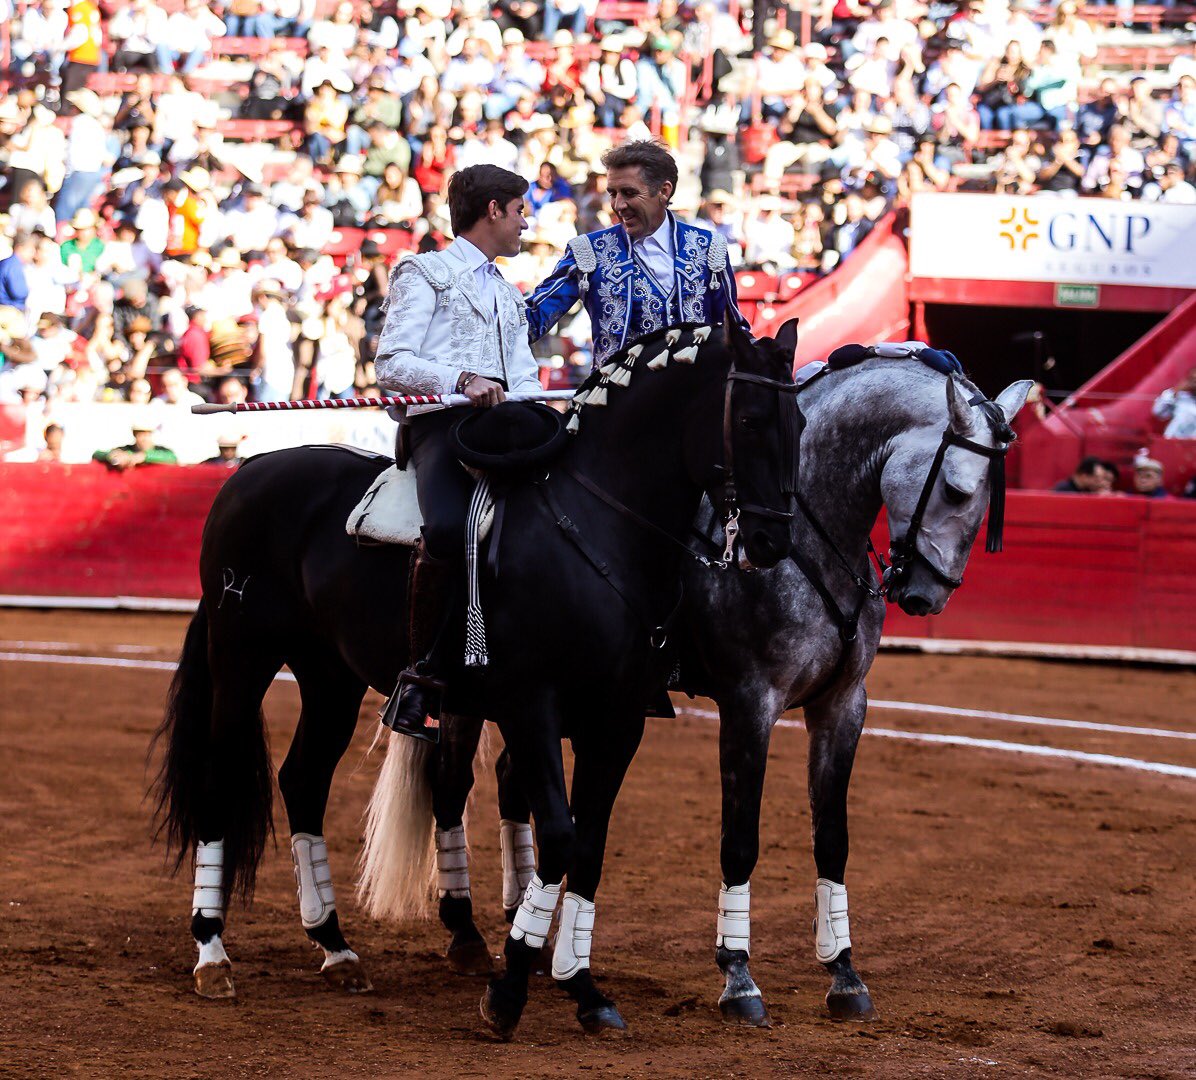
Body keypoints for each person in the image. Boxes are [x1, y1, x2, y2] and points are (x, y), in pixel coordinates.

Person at [373, 163, 542, 740]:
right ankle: (419, 680)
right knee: (446, 527)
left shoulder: (507, 292)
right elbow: (392, 364)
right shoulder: (426, 271)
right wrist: (463, 379)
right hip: (443, 426)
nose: (526, 220)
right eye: (520, 209)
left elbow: (523, 376)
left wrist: (544, 404)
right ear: (493, 209)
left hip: (506, 427)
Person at [526, 139, 749, 370]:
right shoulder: (588, 251)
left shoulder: (707, 247)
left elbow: (733, 329)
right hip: (614, 401)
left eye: (629, 193)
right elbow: (532, 319)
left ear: (664, 191)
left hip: (694, 401)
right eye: (613, 193)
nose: (618, 205)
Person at [92, 421, 178, 470]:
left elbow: (172, 457)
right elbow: (97, 454)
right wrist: (111, 455)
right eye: (141, 435)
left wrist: (144, 456)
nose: (144, 439)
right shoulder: (125, 450)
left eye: (147, 435)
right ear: (135, 436)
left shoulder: (161, 450)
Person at [1152, 366, 1196, 438]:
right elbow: (1158, 412)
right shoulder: (1180, 397)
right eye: (1192, 380)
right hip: (1173, 442)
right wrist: (1175, 391)